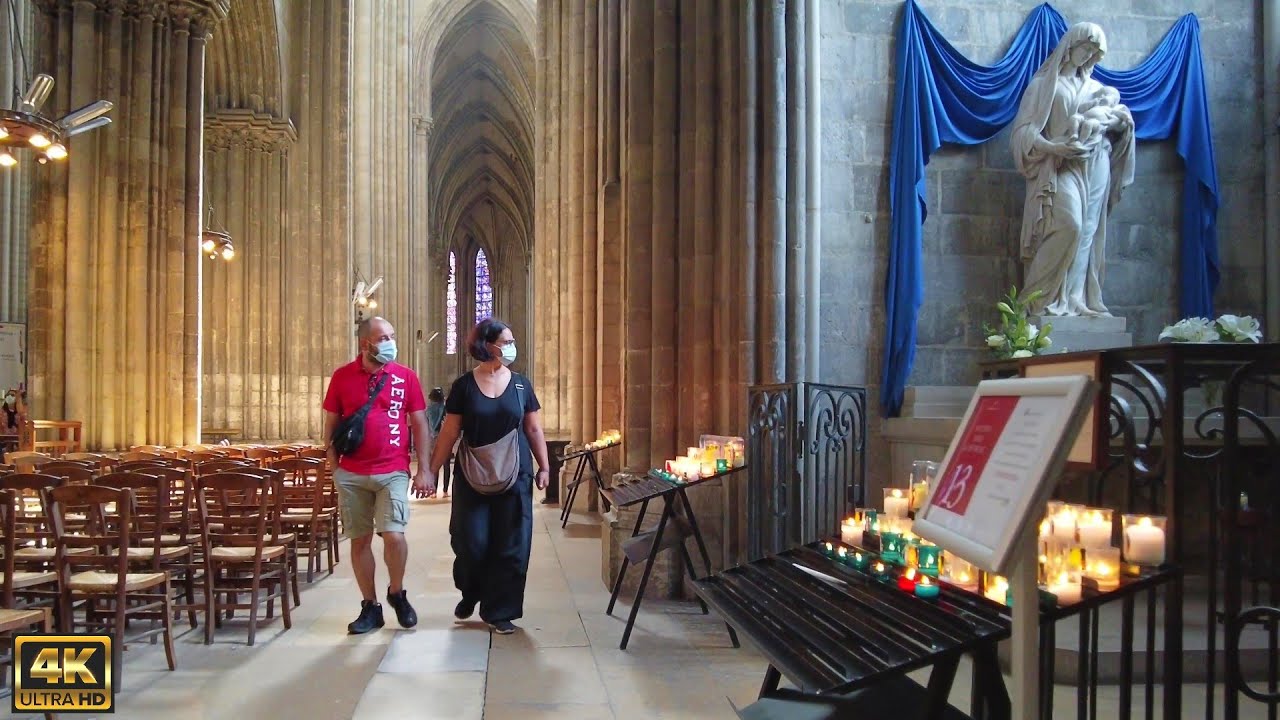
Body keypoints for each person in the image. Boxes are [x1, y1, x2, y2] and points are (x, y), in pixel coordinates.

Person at [420, 318, 550, 635]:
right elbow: (450, 431)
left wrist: (545, 466)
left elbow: (533, 428)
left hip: (515, 472)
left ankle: (499, 610)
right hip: (472, 471)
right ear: (487, 345)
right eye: (506, 341)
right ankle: (472, 589)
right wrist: (431, 471)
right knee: (471, 542)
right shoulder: (464, 386)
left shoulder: (521, 385)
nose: (510, 347)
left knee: (511, 544)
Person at [1011, 22, 1135, 318]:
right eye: (1085, 47)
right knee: (1069, 225)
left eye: (1094, 52)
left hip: (1097, 162)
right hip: (1060, 164)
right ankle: (1035, 303)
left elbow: (1123, 123)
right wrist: (1054, 148)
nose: (1088, 55)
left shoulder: (1099, 89)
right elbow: (1022, 133)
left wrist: (1114, 122)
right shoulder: (1043, 86)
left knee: (1089, 232)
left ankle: (1075, 299)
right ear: (1070, 46)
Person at [322, 316, 432, 634]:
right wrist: (334, 467)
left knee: (394, 536)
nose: (389, 342)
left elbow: (420, 423)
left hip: (393, 469)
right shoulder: (342, 377)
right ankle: (370, 606)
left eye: (391, 336)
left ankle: (397, 592)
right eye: (383, 337)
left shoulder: (405, 377)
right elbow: (330, 423)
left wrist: (423, 468)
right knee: (360, 541)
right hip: (352, 472)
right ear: (365, 343)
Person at [425, 387, 451, 497]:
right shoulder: (445, 408)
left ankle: (433, 490)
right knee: (446, 465)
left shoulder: (428, 409)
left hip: (432, 438)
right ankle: (445, 490)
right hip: (445, 437)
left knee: (434, 464)